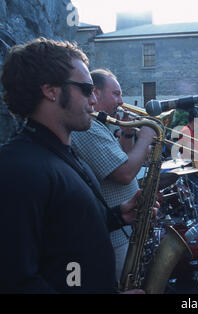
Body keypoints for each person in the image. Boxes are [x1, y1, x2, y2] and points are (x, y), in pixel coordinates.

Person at [0, 38, 141, 293]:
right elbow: (17, 280)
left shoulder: (62, 154)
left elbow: (63, 234)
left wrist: (118, 215)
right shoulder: (16, 169)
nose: (94, 101)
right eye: (87, 89)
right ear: (51, 91)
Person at [71, 69, 156, 280]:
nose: (121, 101)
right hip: (114, 236)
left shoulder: (102, 126)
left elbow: (125, 158)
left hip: (121, 225)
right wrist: (145, 138)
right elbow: (125, 173)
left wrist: (128, 134)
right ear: (96, 93)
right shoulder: (89, 129)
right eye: (116, 94)